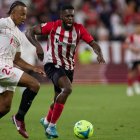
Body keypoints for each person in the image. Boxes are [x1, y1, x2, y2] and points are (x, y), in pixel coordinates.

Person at [26, 4, 105, 138]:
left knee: (58, 98)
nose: (70, 18)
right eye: (67, 16)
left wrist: (99, 53)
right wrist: (38, 46)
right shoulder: (53, 26)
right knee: (67, 89)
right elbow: (29, 32)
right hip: (52, 64)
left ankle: (46, 121)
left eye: (72, 16)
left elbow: (93, 43)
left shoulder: (79, 29)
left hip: (69, 68)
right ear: (61, 16)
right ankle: (51, 127)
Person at [0, 1, 45, 139]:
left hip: (9, 65)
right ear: (13, 13)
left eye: (26, 14)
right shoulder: (3, 23)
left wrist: (33, 68)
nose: (24, 17)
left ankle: (17, 117)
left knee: (5, 107)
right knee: (34, 84)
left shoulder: (19, 34)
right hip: (1, 65)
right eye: (22, 14)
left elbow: (17, 59)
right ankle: (19, 118)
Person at [124, 23, 140, 96]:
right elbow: (125, 45)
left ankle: (137, 84)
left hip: (139, 57)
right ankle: (129, 88)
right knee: (131, 73)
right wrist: (133, 49)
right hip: (132, 57)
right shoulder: (132, 37)